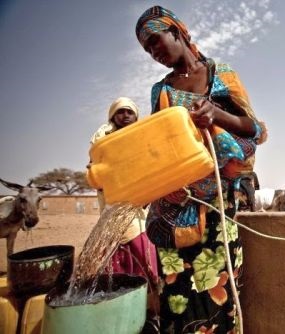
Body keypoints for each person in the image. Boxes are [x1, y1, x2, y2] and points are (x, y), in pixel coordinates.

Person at [135, 6, 266, 333]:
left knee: (221, 295)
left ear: (176, 32)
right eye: (147, 49)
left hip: (220, 209)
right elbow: (158, 145)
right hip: (175, 211)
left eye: (156, 41)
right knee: (178, 299)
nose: (154, 53)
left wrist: (216, 115)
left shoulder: (220, 72)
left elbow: (256, 131)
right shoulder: (161, 91)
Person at [89, 96, 159, 301]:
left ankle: (148, 301)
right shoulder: (103, 136)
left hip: (139, 201)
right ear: (113, 115)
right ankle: (123, 297)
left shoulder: (141, 135)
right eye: (121, 111)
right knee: (119, 246)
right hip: (114, 203)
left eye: (130, 112)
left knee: (140, 242)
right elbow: (96, 166)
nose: (125, 116)